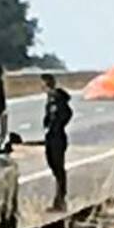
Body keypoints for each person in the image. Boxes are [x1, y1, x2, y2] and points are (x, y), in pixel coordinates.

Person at [41, 73, 73, 211]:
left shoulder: (57, 99)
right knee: (53, 166)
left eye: (42, 83)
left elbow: (67, 113)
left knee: (58, 168)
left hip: (57, 137)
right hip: (51, 136)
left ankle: (60, 199)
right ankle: (59, 198)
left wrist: (57, 125)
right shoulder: (50, 99)